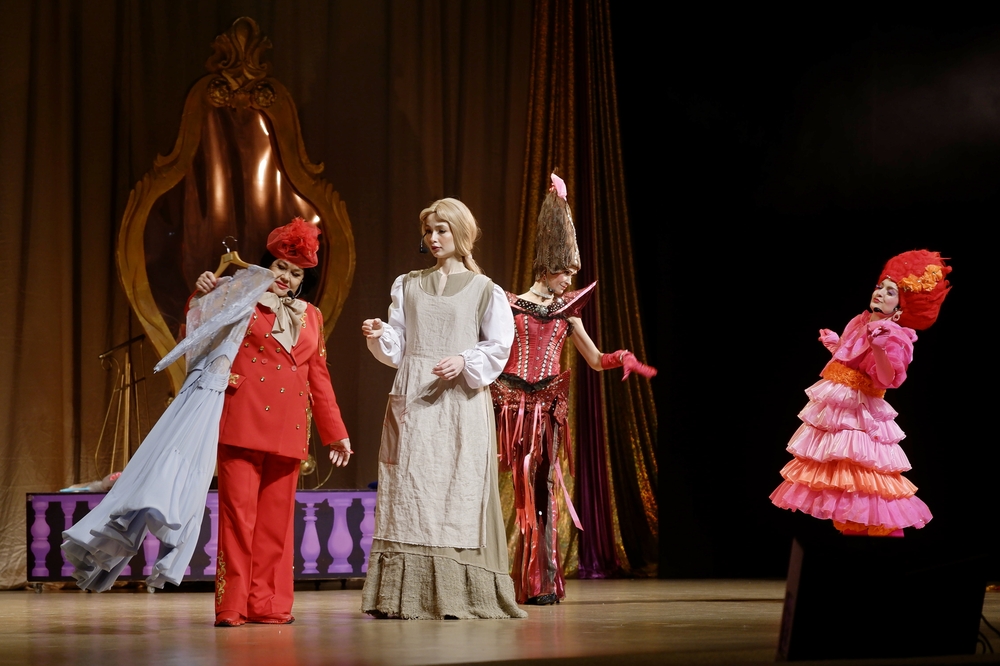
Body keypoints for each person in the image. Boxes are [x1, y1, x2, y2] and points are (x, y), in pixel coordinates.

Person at [490, 174, 656, 605]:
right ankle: (505, 578)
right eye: (565, 271)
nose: (569, 279)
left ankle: (541, 582)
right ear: (547, 266)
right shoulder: (509, 304)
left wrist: (622, 358)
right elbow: (492, 351)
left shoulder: (569, 313)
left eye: (571, 272)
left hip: (547, 408)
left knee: (543, 489)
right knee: (517, 490)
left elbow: (595, 359)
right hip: (511, 406)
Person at [360, 198, 525, 619]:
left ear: (461, 233)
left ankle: (459, 594)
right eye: (428, 231)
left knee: (456, 490)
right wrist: (380, 334)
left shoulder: (484, 289)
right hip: (414, 397)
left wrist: (465, 360)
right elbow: (399, 346)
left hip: (458, 401)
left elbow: (499, 347)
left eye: (442, 230)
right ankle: (400, 596)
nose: (433, 238)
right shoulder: (408, 284)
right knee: (408, 489)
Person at [194, 217, 353, 627]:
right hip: (242, 421)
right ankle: (232, 605)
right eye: (281, 266)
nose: (286, 277)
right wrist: (202, 293)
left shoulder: (311, 316)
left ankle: (267, 603)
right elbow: (193, 334)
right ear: (266, 264)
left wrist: (335, 434)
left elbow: (319, 378)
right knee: (238, 519)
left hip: (288, 428)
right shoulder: (238, 298)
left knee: (274, 525)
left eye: (296, 273)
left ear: (303, 280)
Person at [770, 250, 952, 536]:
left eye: (890, 292)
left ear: (902, 305)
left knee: (862, 475)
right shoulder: (861, 320)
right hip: (839, 405)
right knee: (837, 475)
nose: (879, 293)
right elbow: (853, 357)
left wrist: (879, 348)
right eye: (880, 286)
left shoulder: (895, 335)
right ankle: (852, 533)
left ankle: (882, 533)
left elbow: (887, 379)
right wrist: (835, 346)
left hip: (859, 410)